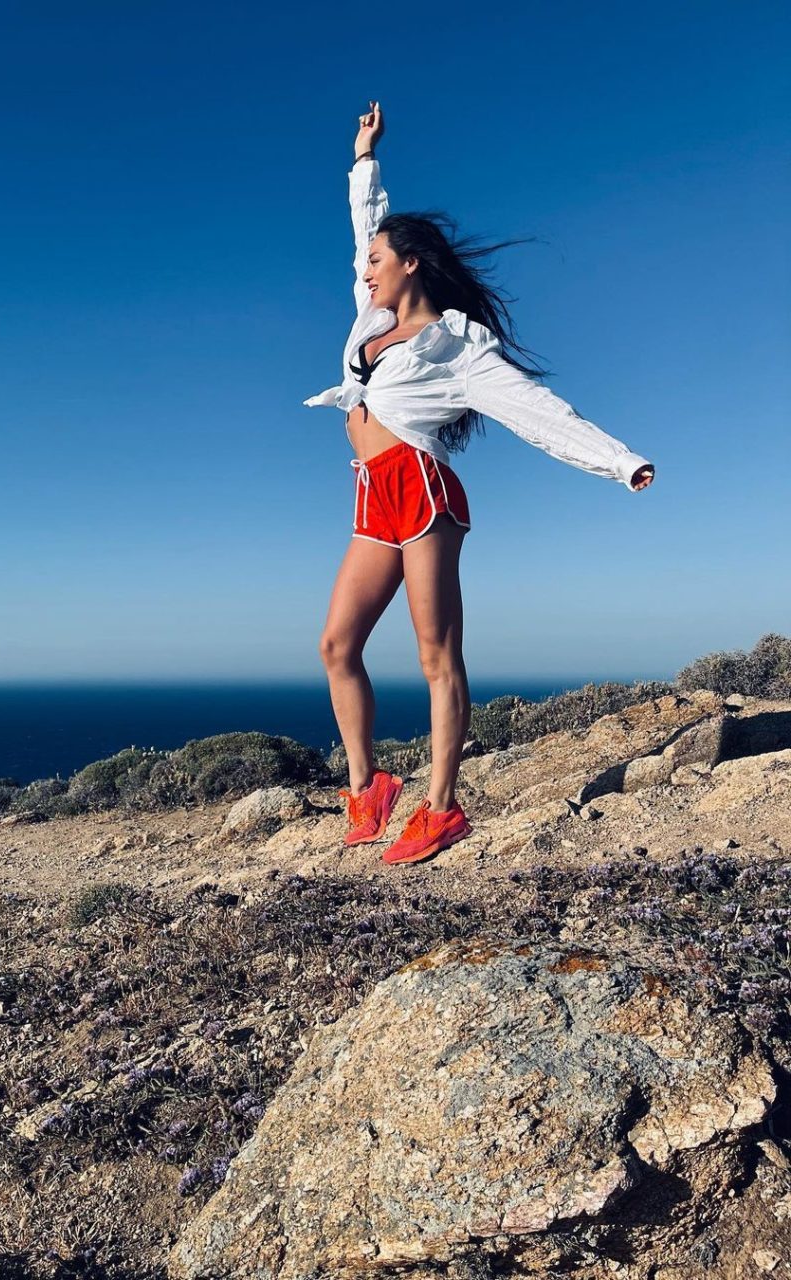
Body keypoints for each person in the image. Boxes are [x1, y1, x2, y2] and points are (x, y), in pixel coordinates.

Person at [306, 101, 655, 867]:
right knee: (337, 644)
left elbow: (538, 410)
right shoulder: (372, 321)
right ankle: (368, 787)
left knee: (436, 655)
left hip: (422, 490)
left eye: (378, 259)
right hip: (372, 491)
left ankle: (441, 808)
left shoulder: (460, 350)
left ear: (411, 263)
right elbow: (366, 223)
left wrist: (619, 460)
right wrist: (364, 158)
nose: (365, 267)